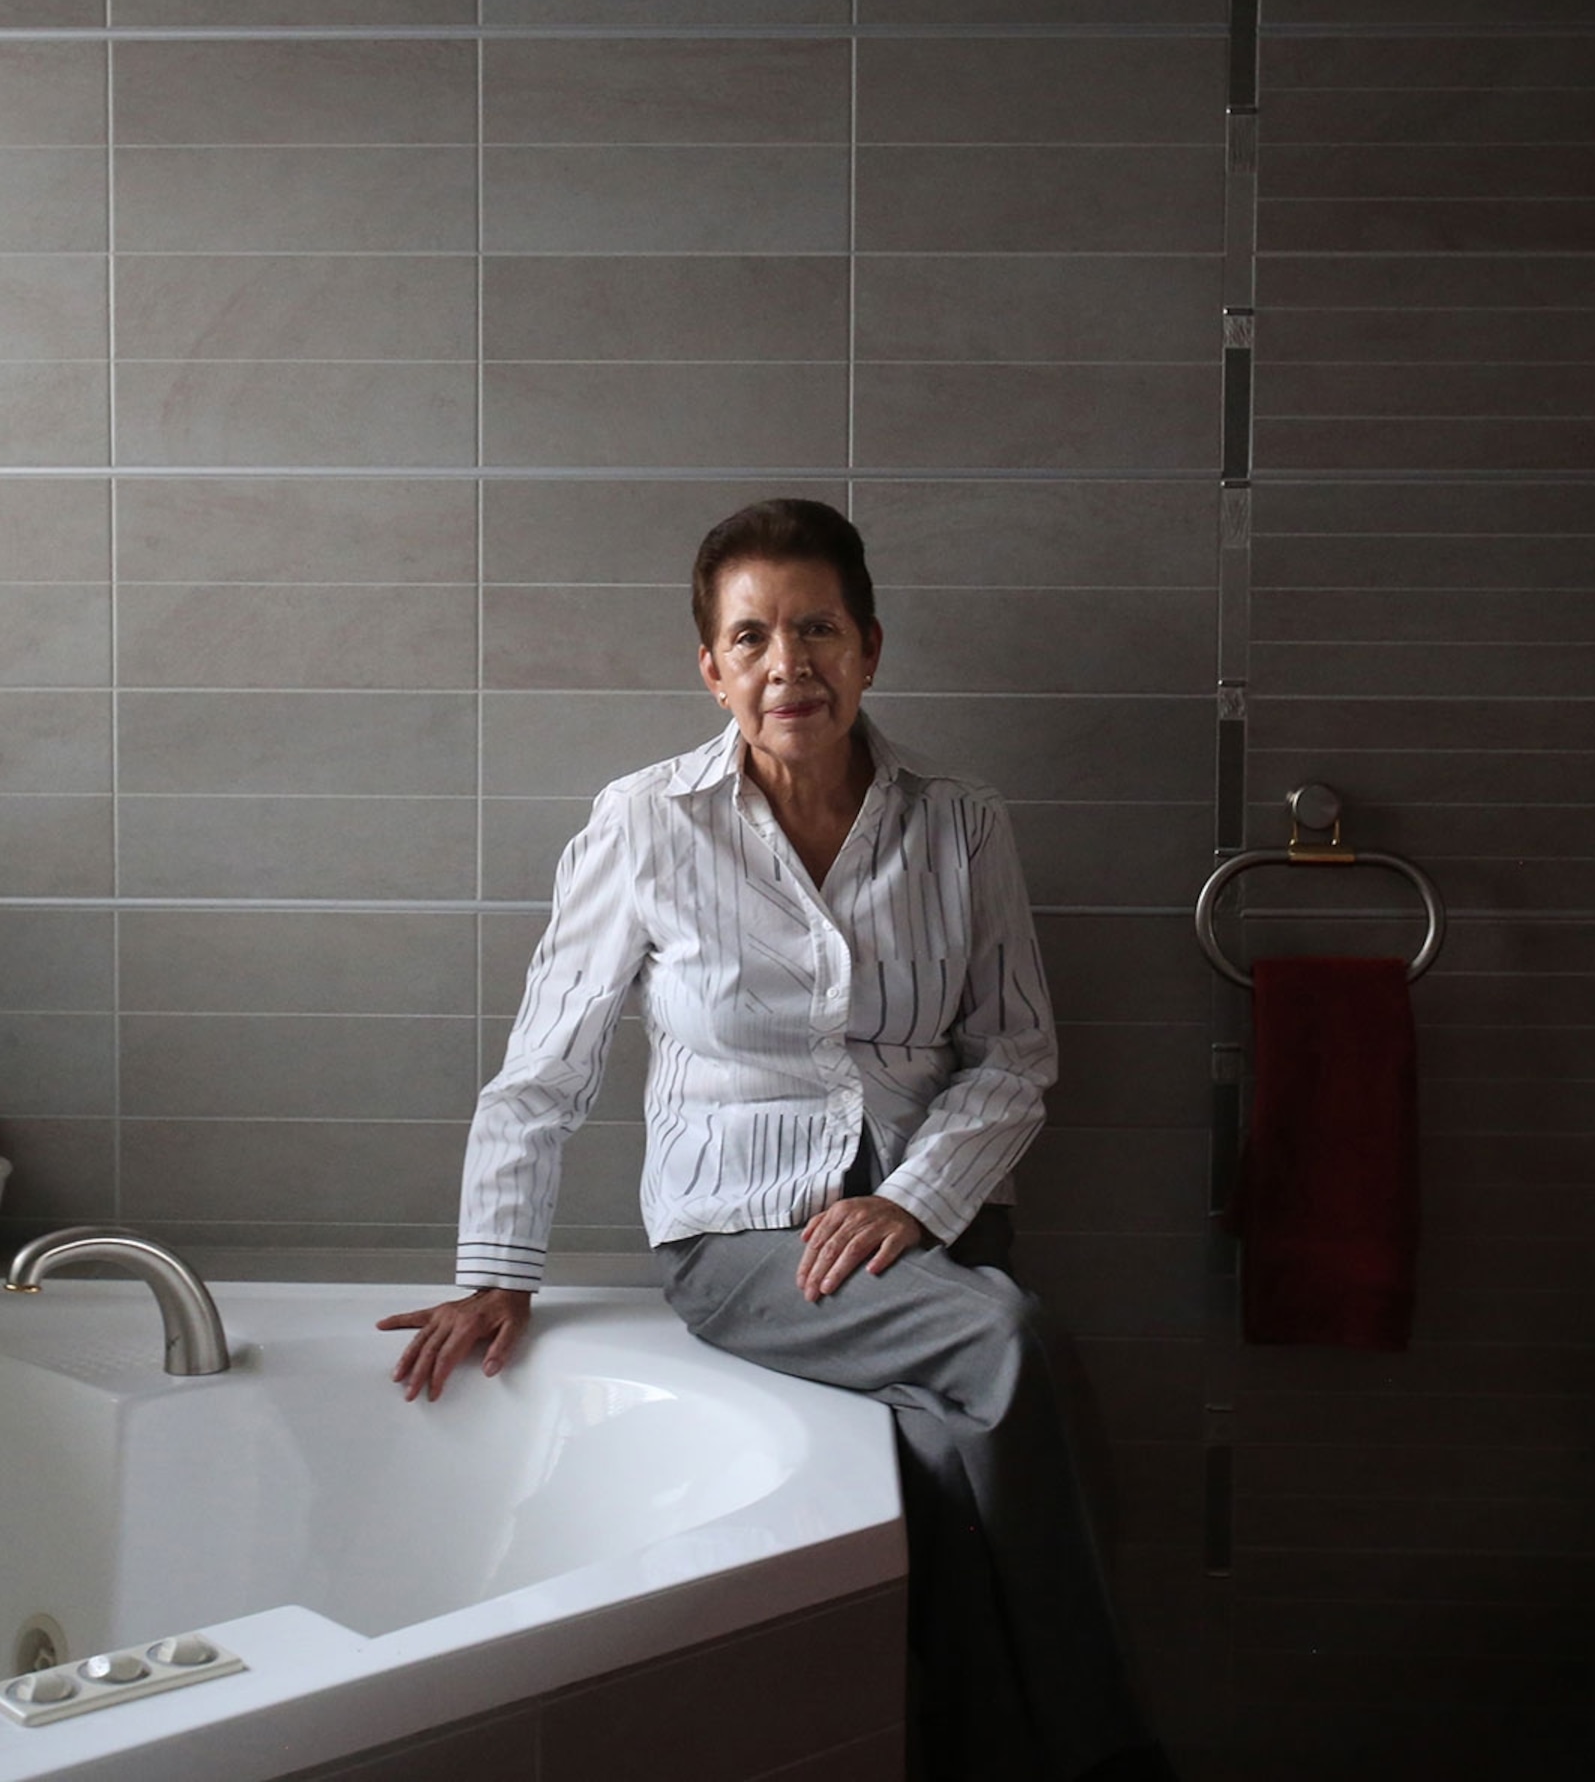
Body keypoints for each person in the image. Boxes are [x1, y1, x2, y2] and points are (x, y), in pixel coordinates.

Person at [379, 499, 1174, 1782]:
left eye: (816, 629)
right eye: (750, 637)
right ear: (712, 666)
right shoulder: (647, 823)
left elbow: (1017, 1053)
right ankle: (1107, 1754)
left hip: (939, 1223)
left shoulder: (960, 821)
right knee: (1013, 1341)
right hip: (743, 1235)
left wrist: (913, 1202)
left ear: (869, 646)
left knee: (951, 1478)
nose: (786, 664)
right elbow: (547, 1061)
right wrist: (496, 1267)